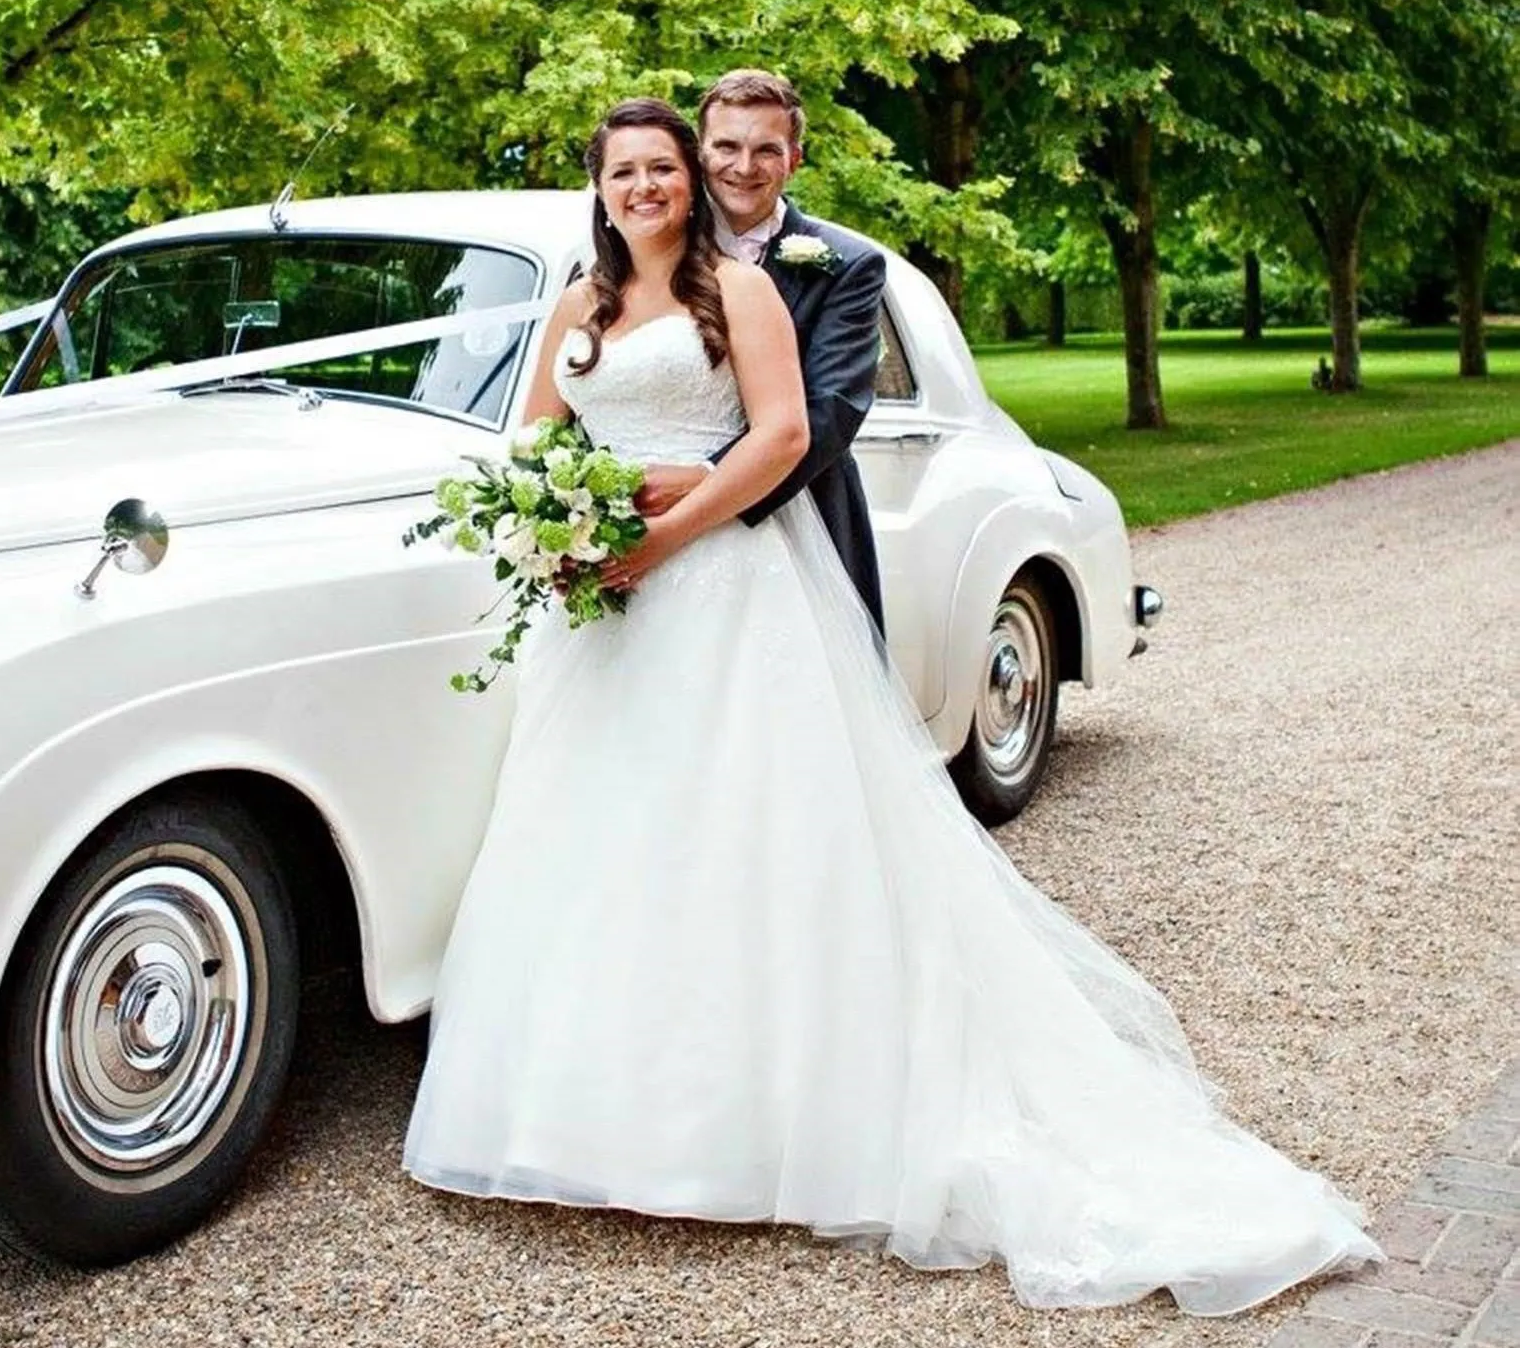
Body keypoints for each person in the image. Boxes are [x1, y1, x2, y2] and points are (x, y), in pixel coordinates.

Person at [399, 95, 1381, 1315]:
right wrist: (556, 522)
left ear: (689, 185)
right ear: (595, 186)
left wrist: (652, 541)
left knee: (743, 840)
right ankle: (593, 1122)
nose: (646, 186)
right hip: (599, 617)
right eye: (625, 171)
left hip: (717, 587)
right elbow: (532, 443)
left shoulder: (738, 291)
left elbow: (781, 437)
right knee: (604, 843)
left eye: (663, 168)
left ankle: (761, 1126)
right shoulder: (576, 308)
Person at [636, 69, 888, 632]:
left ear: (795, 158)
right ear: (699, 153)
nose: (743, 167)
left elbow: (833, 411)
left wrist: (707, 478)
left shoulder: (847, 265)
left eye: (766, 150)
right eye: (726, 146)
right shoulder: (642, 247)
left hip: (798, 516)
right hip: (647, 509)